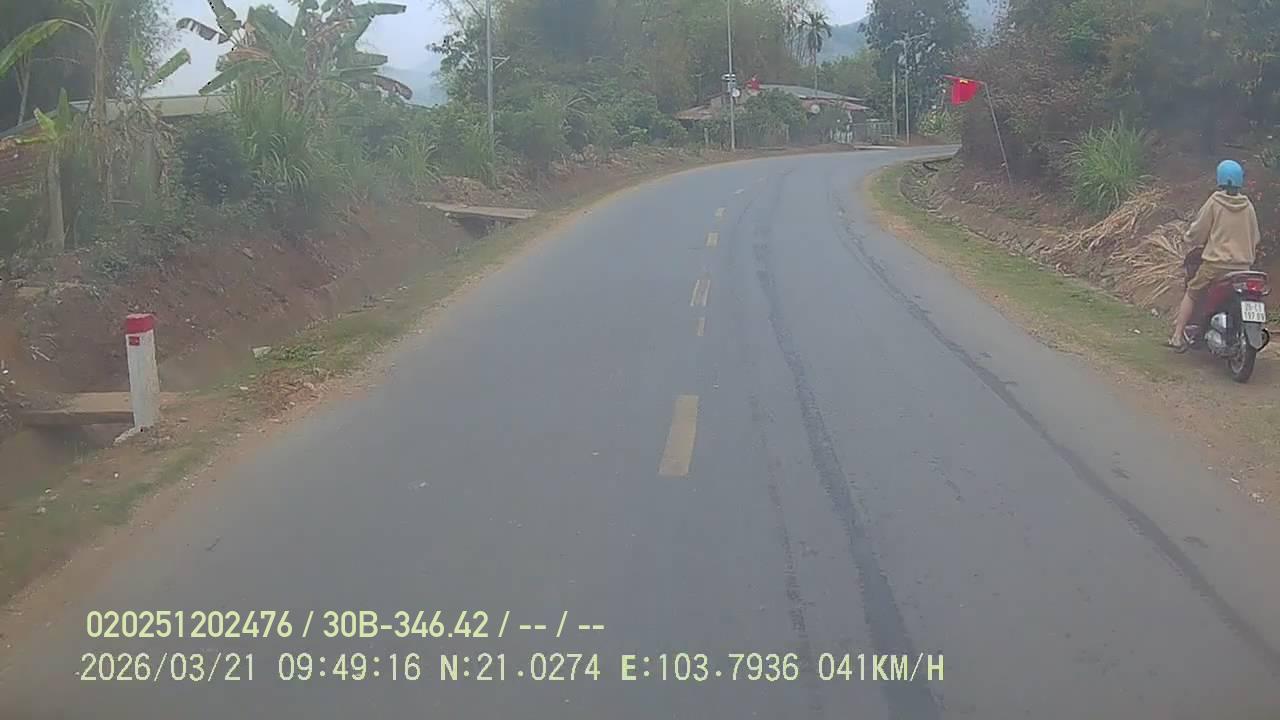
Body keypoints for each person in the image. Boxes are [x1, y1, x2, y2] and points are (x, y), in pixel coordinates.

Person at [1168, 159, 1262, 351]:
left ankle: (1177, 336)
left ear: (1220, 179)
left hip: (1216, 266)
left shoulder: (1215, 202)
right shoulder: (1248, 206)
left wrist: (1188, 238)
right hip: (1243, 268)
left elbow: (1199, 231)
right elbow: (1256, 237)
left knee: (1192, 292)